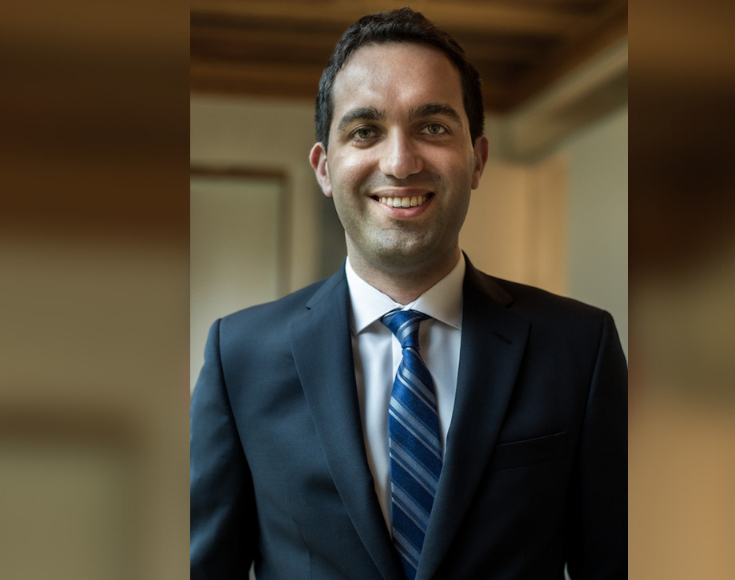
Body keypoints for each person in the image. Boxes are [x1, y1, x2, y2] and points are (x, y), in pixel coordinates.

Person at [191, 8, 626, 580]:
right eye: (365, 131)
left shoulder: (579, 347)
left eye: (434, 127)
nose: (400, 162)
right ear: (325, 168)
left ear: (478, 159)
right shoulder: (238, 355)